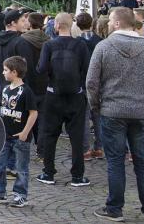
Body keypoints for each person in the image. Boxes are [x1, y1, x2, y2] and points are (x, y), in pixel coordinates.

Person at [87, 7, 144, 222]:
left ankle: (114, 208)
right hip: (141, 112)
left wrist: (96, 106)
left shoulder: (103, 47)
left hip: (112, 111)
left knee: (115, 161)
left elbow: (91, 83)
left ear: (115, 23)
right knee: (143, 162)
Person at [35, 13, 91, 187]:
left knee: (50, 135)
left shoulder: (49, 45)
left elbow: (41, 69)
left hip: (54, 95)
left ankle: (48, 172)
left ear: (57, 25)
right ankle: (77, 175)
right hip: (76, 95)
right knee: (76, 136)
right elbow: (87, 69)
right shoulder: (81, 45)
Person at [0, 56, 38, 209]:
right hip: (4, 135)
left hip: (20, 137)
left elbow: (33, 113)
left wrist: (25, 132)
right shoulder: (5, 89)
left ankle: (20, 195)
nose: (3, 73)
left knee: (21, 168)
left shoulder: (26, 91)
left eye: (5, 70)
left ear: (15, 72)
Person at [76, 12, 105, 161]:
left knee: (84, 118)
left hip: (82, 83)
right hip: (99, 83)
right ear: (92, 24)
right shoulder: (100, 41)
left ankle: (85, 149)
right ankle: (100, 147)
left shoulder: (76, 42)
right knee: (98, 116)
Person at [21, 12, 49, 158]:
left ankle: (25, 146)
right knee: (43, 117)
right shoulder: (49, 40)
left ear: (30, 24)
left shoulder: (22, 40)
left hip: (29, 83)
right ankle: (42, 148)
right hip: (44, 83)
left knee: (27, 116)